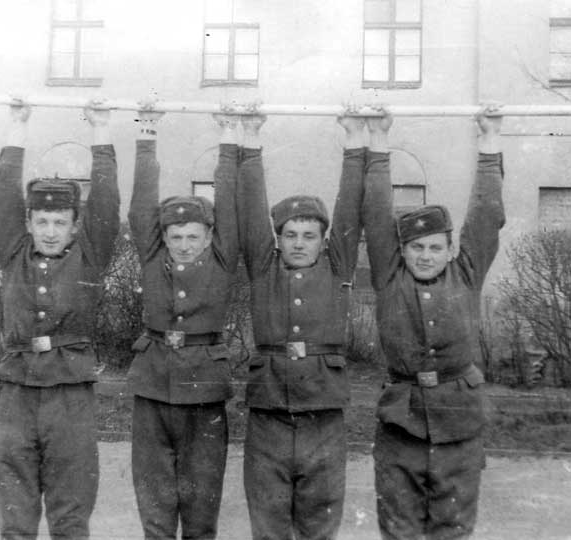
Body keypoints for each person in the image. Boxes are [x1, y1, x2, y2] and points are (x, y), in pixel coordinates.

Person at [361, 104, 504, 539]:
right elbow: (376, 214)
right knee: (399, 530)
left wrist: (490, 143)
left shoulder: (466, 274)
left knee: (452, 530)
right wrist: (379, 141)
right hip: (401, 424)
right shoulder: (390, 277)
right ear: (402, 250)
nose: (425, 256)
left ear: (450, 249)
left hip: (459, 421)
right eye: (416, 247)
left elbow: (485, 216)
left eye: (435, 247)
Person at [0, 99, 119, 539]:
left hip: (70, 393)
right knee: (14, 508)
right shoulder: (14, 253)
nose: (49, 231)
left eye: (59, 222)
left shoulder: (90, 256)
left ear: (75, 225)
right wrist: (17, 126)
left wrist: (101, 129)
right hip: (17, 392)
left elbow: (107, 199)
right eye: (41, 221)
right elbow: (4, 193)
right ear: (27, 222)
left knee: (71, 510)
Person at [235, 112, 365, 539]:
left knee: (319, 525)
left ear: (324, 241)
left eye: (309, 236)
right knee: (267, 523)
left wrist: (355, 141)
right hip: (269, 413)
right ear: (277, 238)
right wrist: (251, 138)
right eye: (290, 234)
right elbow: (252, 210)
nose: (298, 243)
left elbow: (350, 207)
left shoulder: (337, 267)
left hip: (322, 415)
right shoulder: (263, 268)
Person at [127, 109, 240, 539]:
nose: (185, 245)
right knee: (154, 499)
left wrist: (227, 139)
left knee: (201, 501)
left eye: (193, 237)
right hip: (153, 384)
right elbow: (142, 206)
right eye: (176, 237)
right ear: (164, 239)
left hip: (204, 386)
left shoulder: (221, 261)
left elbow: (229, 204)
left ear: (209, 237)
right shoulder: (153, 258)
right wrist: (147, 133)